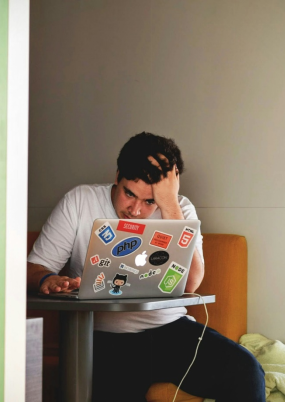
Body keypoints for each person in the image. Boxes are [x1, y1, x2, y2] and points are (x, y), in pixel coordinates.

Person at [26, 132, 266, 402]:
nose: (136, 210)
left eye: (149, 201)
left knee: (246, 370)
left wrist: (169, 205)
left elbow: (191, 283)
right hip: (103, 337)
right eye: (129, 194)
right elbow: (34, 268)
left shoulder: (179, 208)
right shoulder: (79, 201)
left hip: (170, 330)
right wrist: (47, 278)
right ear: (117, 176)